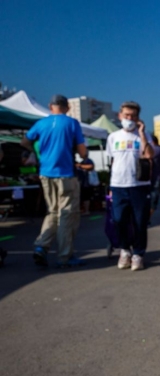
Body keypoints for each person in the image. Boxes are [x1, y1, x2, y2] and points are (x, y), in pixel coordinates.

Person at [21, 94, 87, 268]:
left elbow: (25, 141)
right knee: (67, 215)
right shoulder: (72, 123)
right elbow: (83, 153)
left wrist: (37, 151)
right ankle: (65, 256)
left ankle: (41, 246)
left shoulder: (41, 124)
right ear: (68, 107)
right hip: (65, 173)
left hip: (45, 173)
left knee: (52, 212)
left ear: (50, 107)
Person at [107, 100, 154, 271]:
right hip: (118, 185)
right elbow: (113, 161)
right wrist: (110, 187)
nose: (129, 118)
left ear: (138, 118)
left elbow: (149, 155)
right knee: (119, 220)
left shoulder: (145, 136)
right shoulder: (113, 137)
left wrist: (141, 134)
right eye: (126, 115)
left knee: (140, 222)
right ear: (120, 116)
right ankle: (125, 250)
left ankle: (138, 254)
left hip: (139, 185)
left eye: (133, 116)